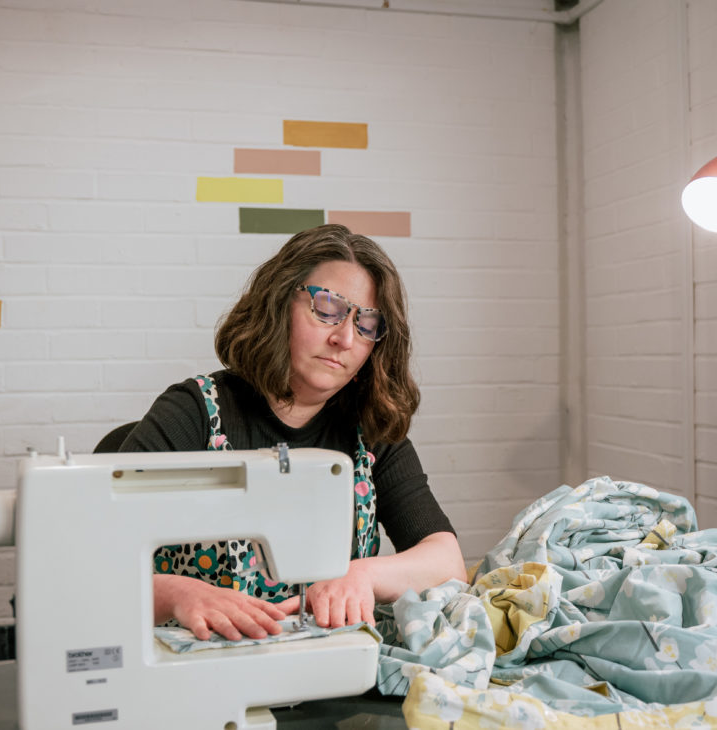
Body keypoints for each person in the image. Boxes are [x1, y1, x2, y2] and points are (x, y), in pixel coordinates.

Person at [119, 224, 467, 642]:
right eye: (327, 308)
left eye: (366, 323)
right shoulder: (194, 413)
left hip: (327, 672)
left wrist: (361, 576)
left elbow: (447, 563)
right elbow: (89, 554)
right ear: (278, 302)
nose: (343, 338)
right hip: (201, 669)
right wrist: (174, 592)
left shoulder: (370, 429)